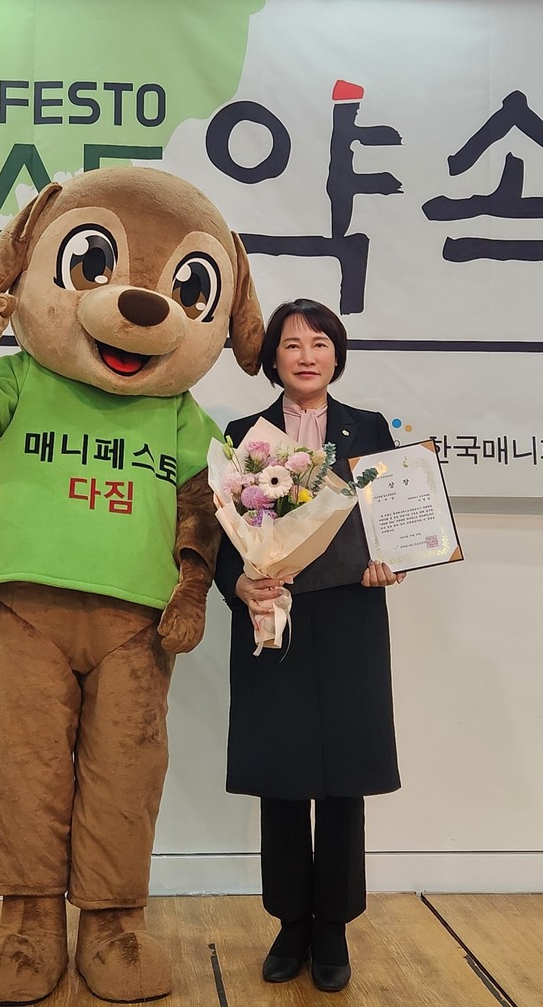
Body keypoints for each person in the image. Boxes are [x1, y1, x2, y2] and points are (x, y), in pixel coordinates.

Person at [214, 298, 406, 993]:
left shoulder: (370, 429)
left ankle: (333, 929)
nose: (306, 355)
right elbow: (222, 537)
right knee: (284, 774)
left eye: (320, 342)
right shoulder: (245, 435)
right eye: (292, 344)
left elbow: (396, 519)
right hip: (276, 616)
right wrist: (240, 585)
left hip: (351, 615)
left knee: (345, 777)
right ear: (272, 357)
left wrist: (393, 560)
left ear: (337, 355)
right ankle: (290, 922)